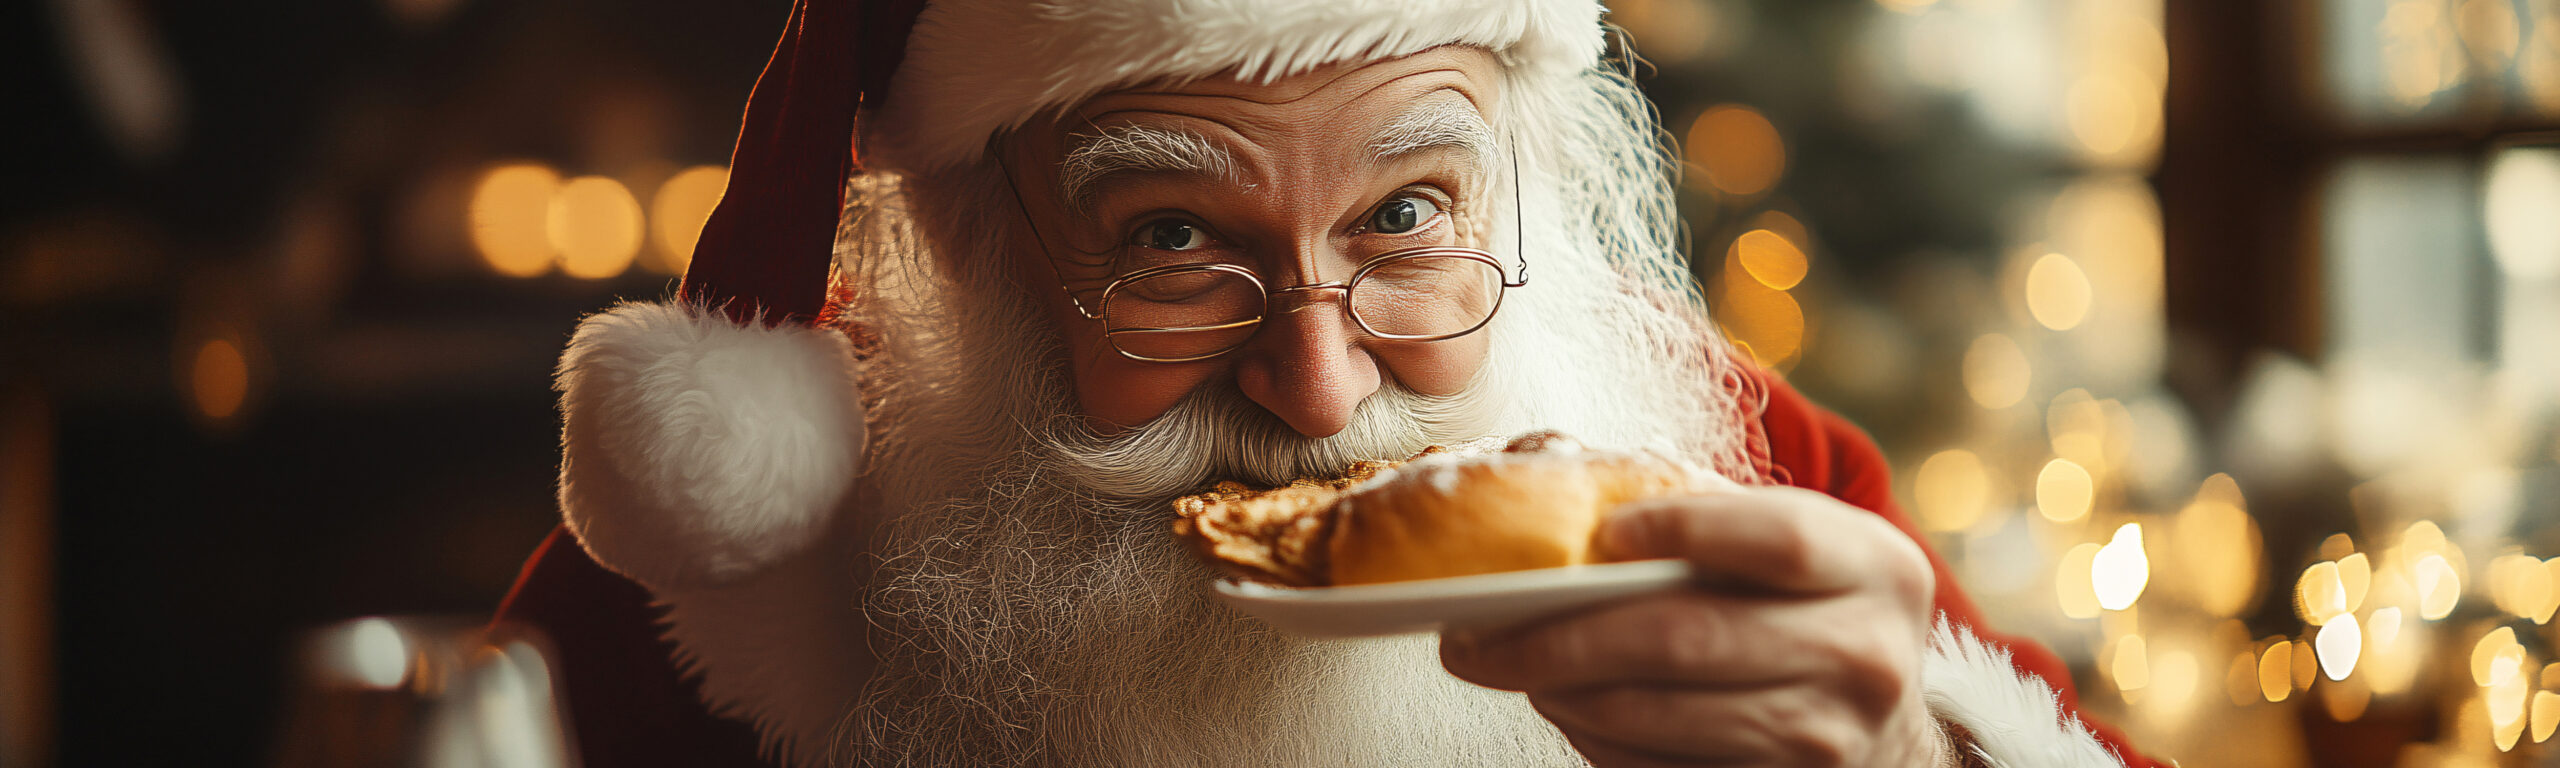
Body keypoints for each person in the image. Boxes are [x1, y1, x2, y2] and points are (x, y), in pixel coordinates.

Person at [496, 1, 2160, 766]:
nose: (1314, 384)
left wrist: (1910, 766)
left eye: (1410, 214)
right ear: (975, 251)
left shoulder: (1730, 471)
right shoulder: (713, 590)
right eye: (1165, 235)